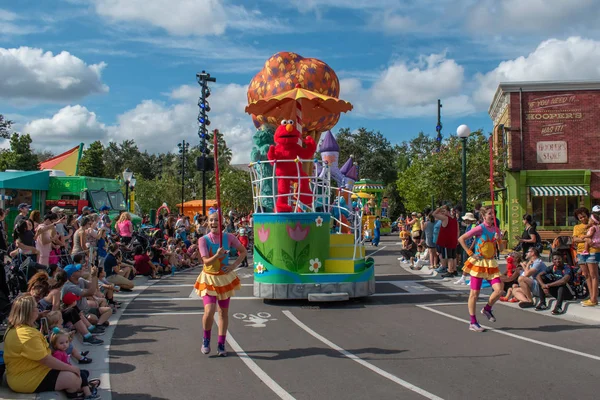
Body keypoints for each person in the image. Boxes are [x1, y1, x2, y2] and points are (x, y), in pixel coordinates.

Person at [3, 294, 81, 395]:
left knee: (76, 375)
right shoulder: (26, 334)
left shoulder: (15, 328)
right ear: (29, 312)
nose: (38, 309)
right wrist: (71, 368)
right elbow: (45, 359)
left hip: (33, 371)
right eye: (36, 307)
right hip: (27, 378)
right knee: (74, 379)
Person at [195, 209, 246, 357]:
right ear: (207, 222)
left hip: (224, 278)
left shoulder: (229, 237)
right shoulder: (203, 240)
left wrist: (233, 266)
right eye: (211, 220)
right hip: (209, 278)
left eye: (216, 220)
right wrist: (217, 255)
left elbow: (242, 252)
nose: (213, 223)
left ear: (221, 222)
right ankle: (206, 339)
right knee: (209, 311)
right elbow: (205, 261)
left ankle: (221, 343)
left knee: (223, 312)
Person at [458, 206, 503, 332]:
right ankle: (473, 322)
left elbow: (502, 249)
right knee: (474, 294)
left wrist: (499, 240)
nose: (492, 216)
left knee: (499, 290)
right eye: (490, 214)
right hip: (479, 263)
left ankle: (487, 309)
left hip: (491, 264)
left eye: (494, 214)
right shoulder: (480, 228)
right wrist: (470, 253)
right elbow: (461, 239)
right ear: (483, 216)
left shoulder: (496, 230)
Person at [50, 328, 100, 399]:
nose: (65, 345)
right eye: (61, 343)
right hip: (64, 374)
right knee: (82, 374)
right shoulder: (58, 354)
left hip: (68, 372)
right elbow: (58, 366)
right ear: (55, 345)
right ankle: (87, 393)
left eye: (66, 342)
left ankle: (84, 387)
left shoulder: (63, 351)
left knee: (85, 372)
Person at [572, 207, 599, 307]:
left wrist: (583, 238)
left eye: (584, 216)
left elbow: (595, 237)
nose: (583, 218)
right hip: (580, 252)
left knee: (594, 275)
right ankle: (591, 296)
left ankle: (594, 298)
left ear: (588, 215)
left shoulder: (594, 225)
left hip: (592, 251)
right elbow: (574, 239)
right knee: (586, 275)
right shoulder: (577, 227)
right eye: (580, 217)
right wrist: (586, 239)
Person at [433, 205, 459, 278]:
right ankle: (454, 270)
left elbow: (434, 214)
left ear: (447, 211)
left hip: (447, 240)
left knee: (449, 256)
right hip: (453, 240)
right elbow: (457, 230)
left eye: (443, 211)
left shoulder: (445, 218)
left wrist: (439, 208)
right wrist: (457, 239)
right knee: (453, 256)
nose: (442, 213)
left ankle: (450, 270)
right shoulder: (455, 219)